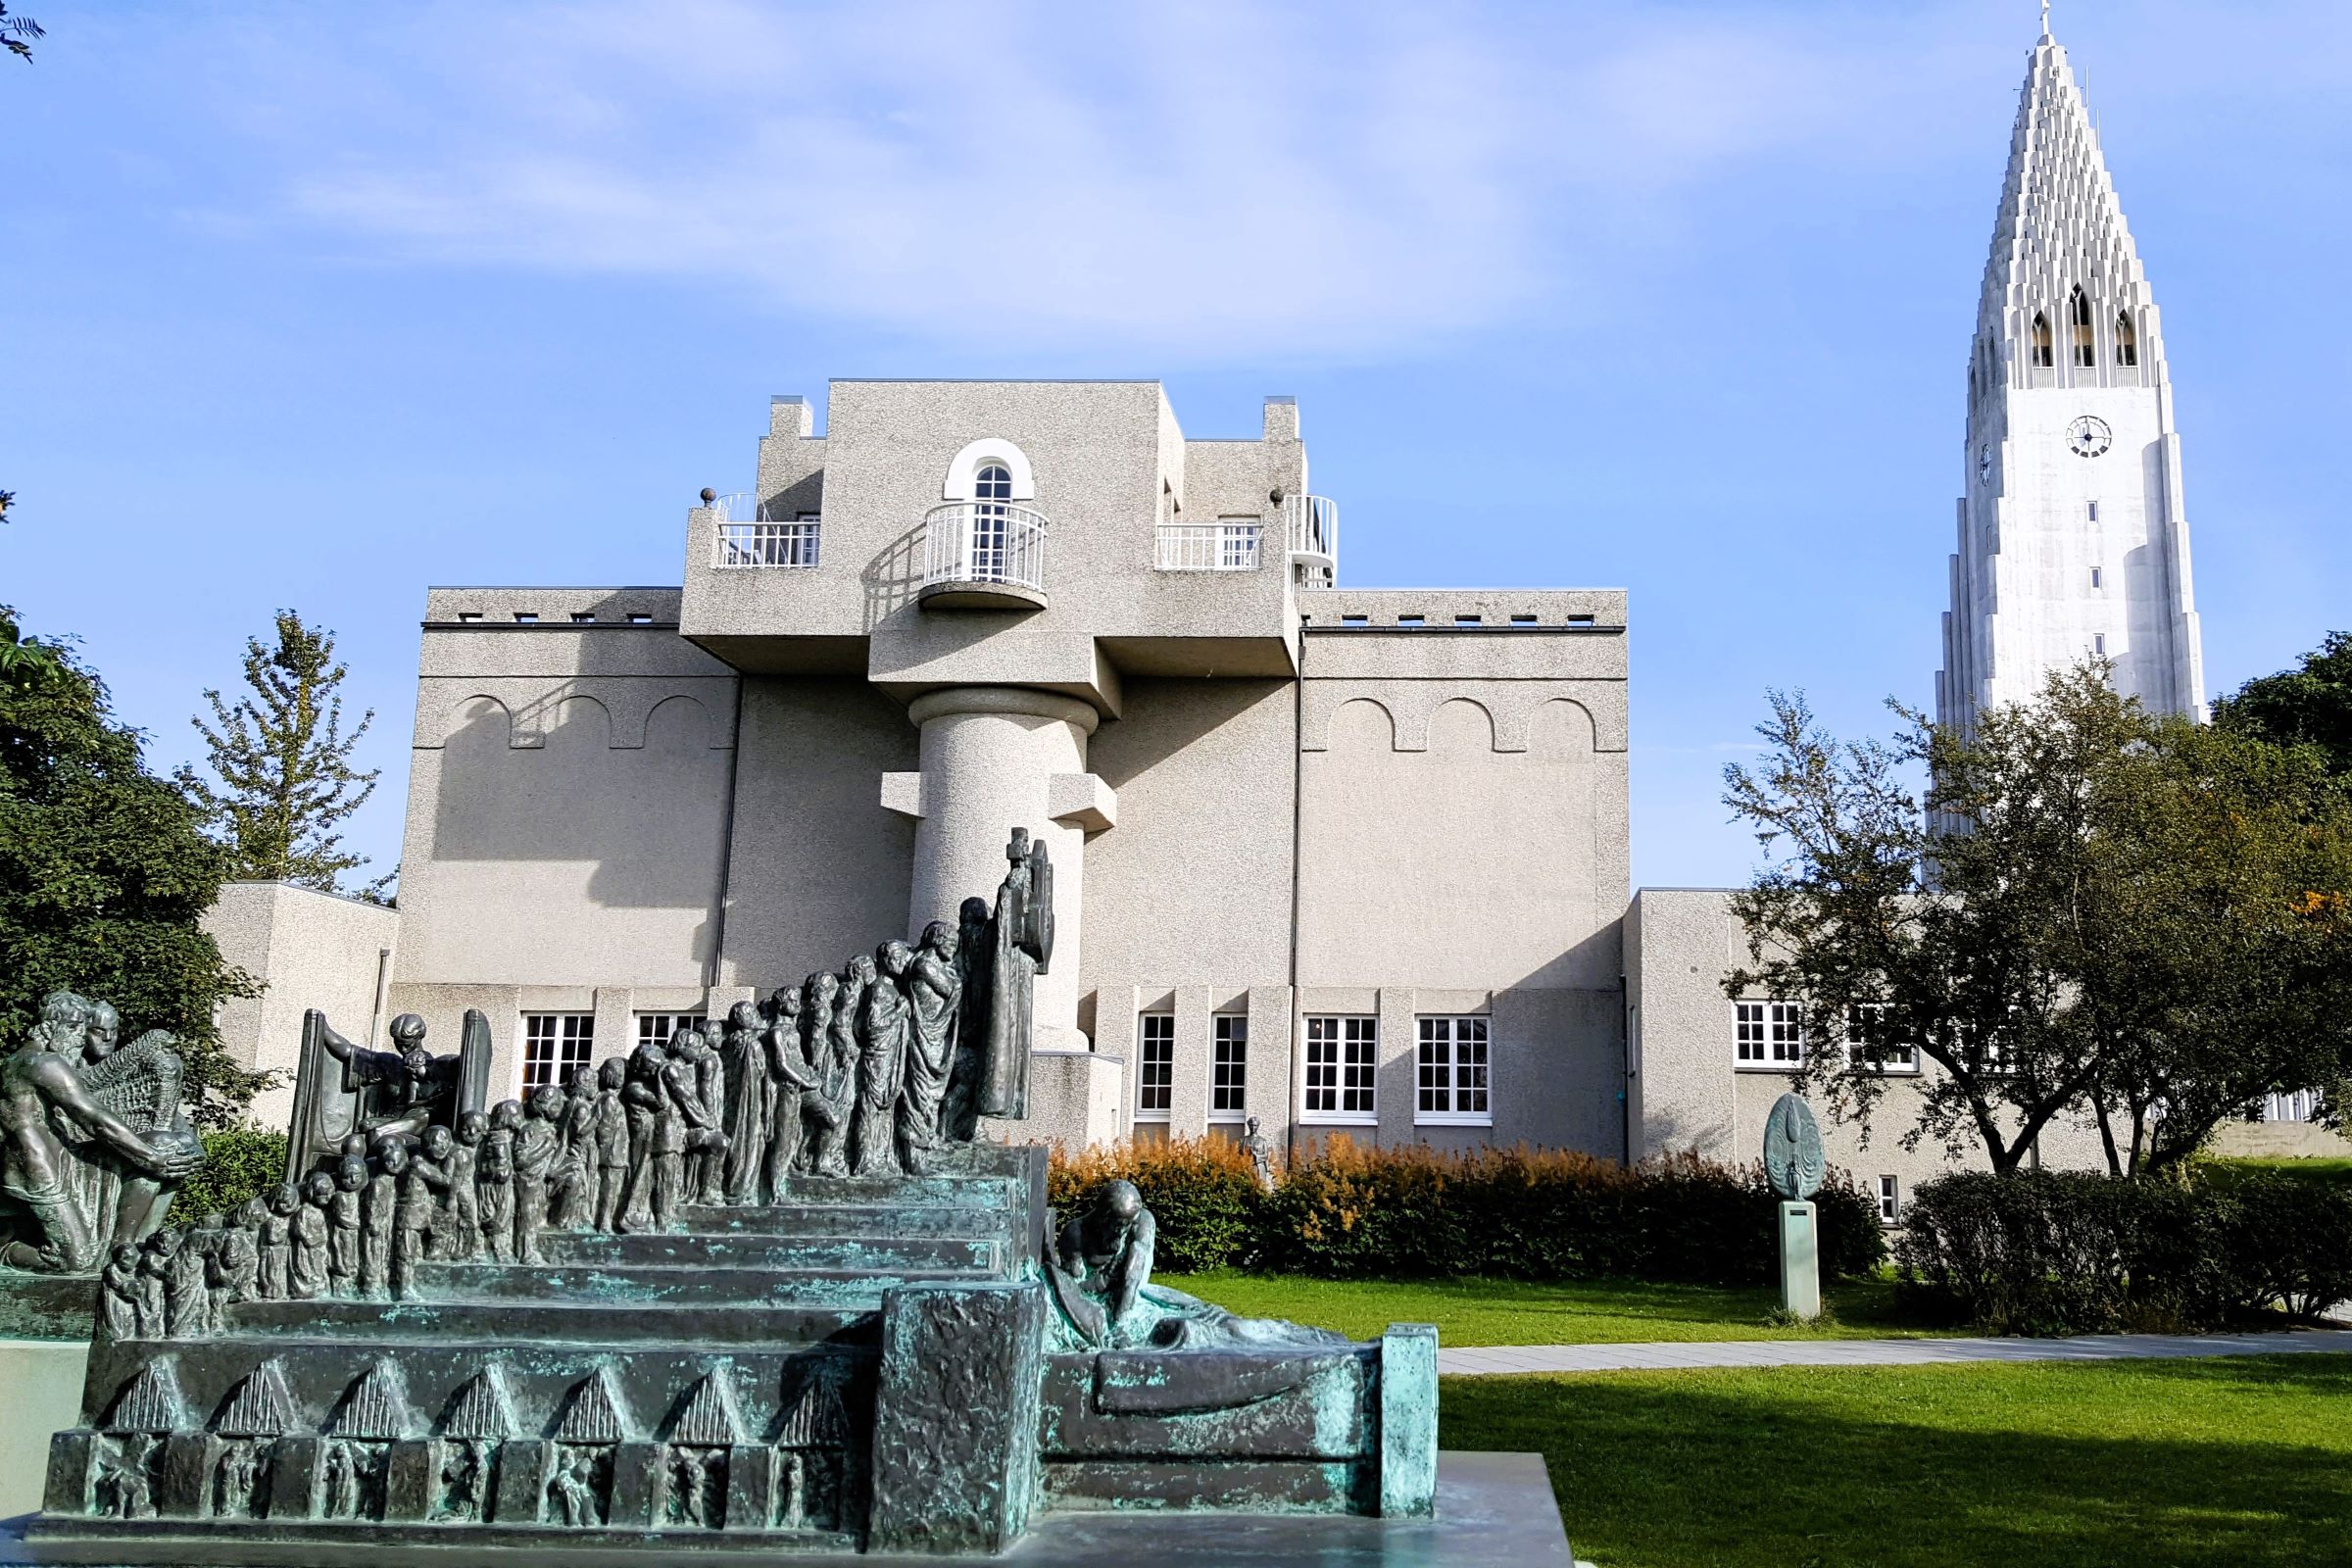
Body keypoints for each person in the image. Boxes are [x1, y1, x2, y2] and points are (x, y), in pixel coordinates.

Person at [0, 995, 201, 1271]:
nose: (79, 1038)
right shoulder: (42, 1063)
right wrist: (150, 1157)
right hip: (37, 1171)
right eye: (72, 1029)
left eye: (82, 1030)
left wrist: (157, 1151)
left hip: (65, 1161)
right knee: (75, 1260)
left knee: (165, 1146)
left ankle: (127, 1249)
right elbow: (93, 1118)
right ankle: (4, 1249)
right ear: (47, 1028)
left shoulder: (37, 1061)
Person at [898, 922, 961, 1173]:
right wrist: (957, 981)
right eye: (951, 943)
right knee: (919, 1097)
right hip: (924, 1038)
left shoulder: (935, 966)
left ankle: (925, 1145)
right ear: (937, 940)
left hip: (936, 1039)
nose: (954, 949)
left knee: (931, 1097)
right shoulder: (924, 965)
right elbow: (952, 988)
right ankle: (913, 1158)